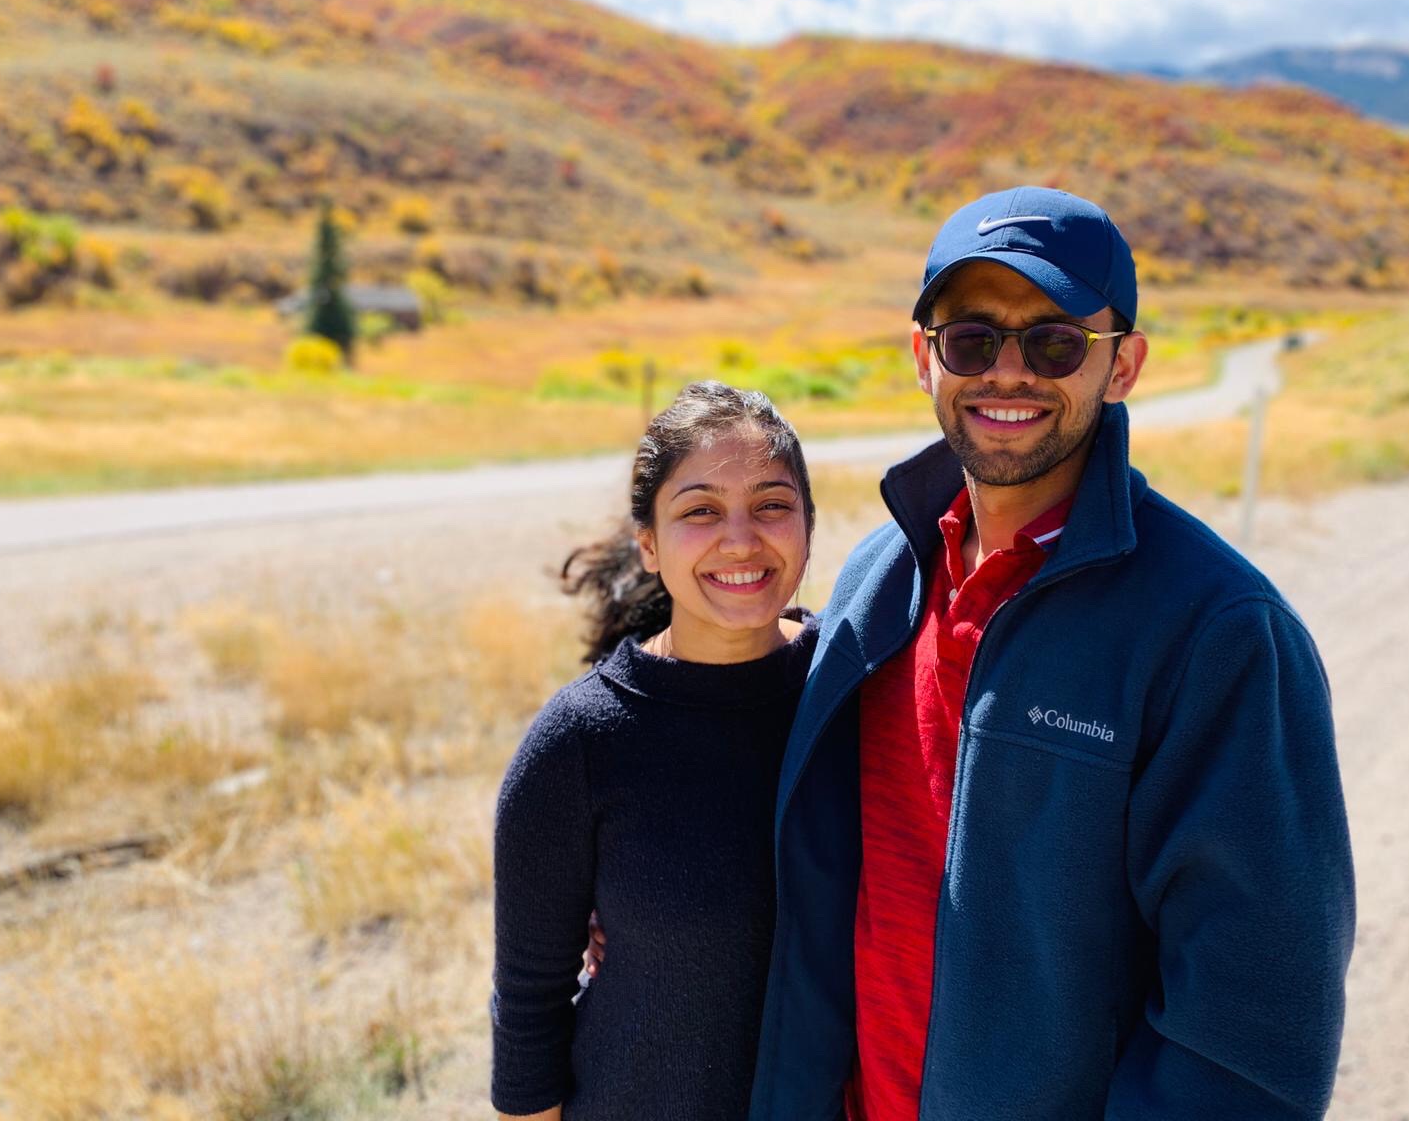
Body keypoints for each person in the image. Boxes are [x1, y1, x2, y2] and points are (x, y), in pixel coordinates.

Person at [747, 187, 1355, 1120]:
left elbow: (1250, 1036)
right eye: (972, 340)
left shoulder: (1218, 633)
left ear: (1123, 366)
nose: (1009, 373)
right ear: (923, 358)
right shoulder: (878, 580)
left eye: (1055, 342)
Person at [490, 381, 821, 1121]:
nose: (741, 538)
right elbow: (528, 1013)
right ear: (648, 543)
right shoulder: (580, 743)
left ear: (808, 523)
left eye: (772, 503)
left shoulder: (855, 686)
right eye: (700, 510)